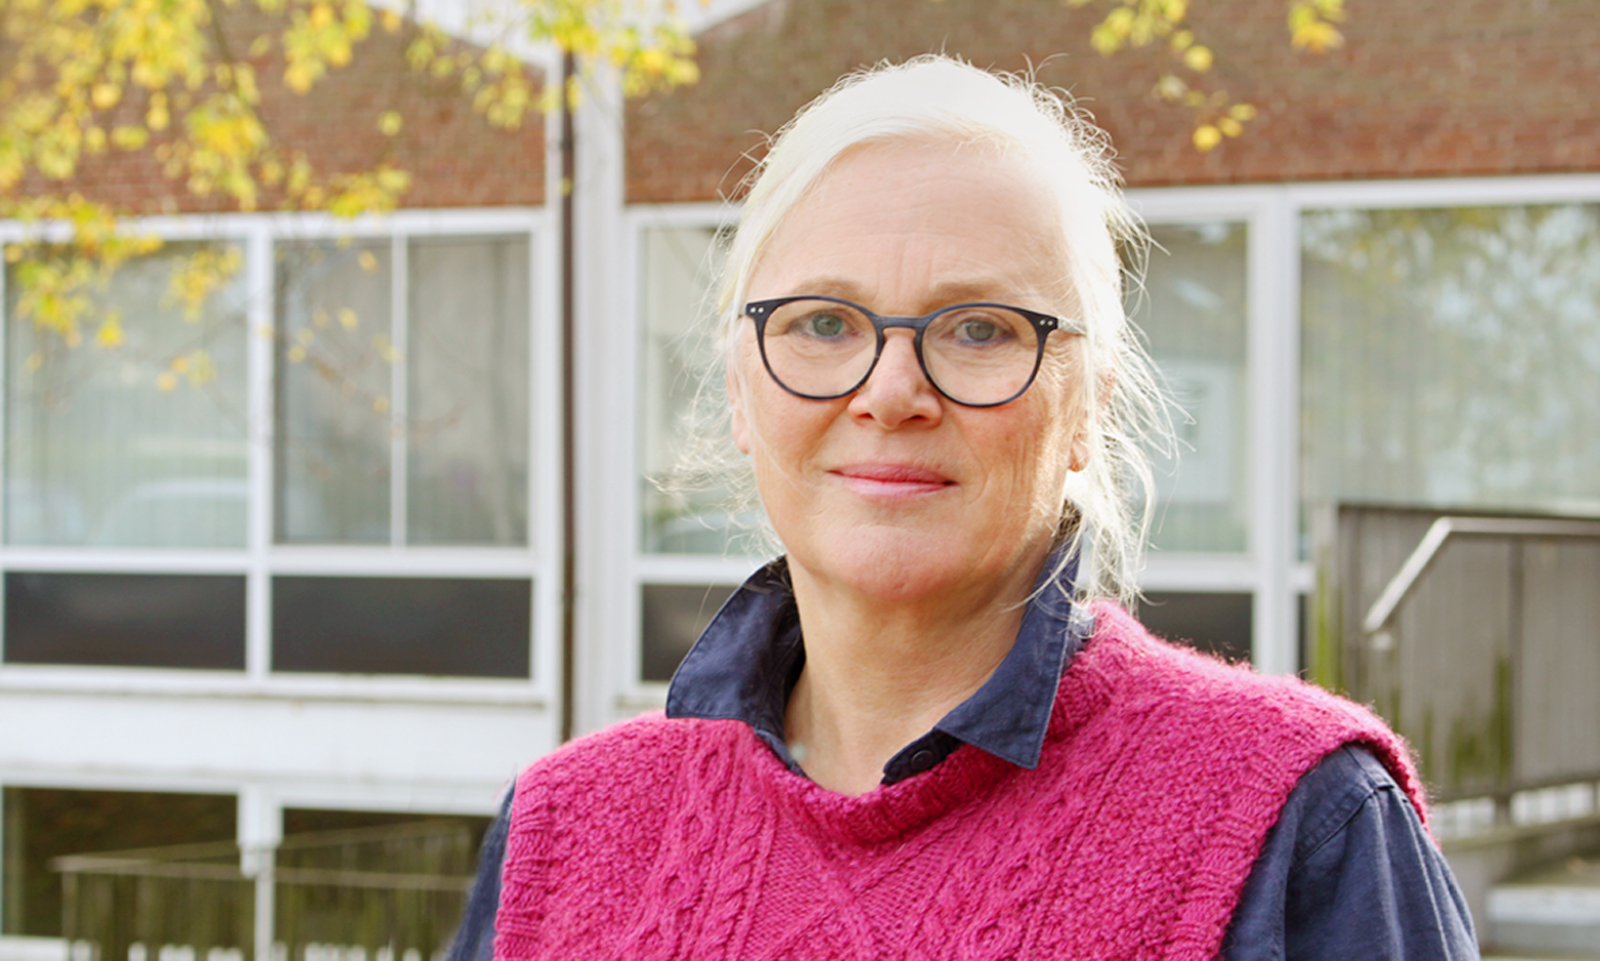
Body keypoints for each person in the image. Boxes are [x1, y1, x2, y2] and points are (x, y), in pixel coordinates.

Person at [452, 56, 1478, 960]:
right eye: (822, 323)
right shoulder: (564, 828)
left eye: (979, 329)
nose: (890, 391)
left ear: (1087, 405)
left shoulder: (1300, 819)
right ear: (738, 389)